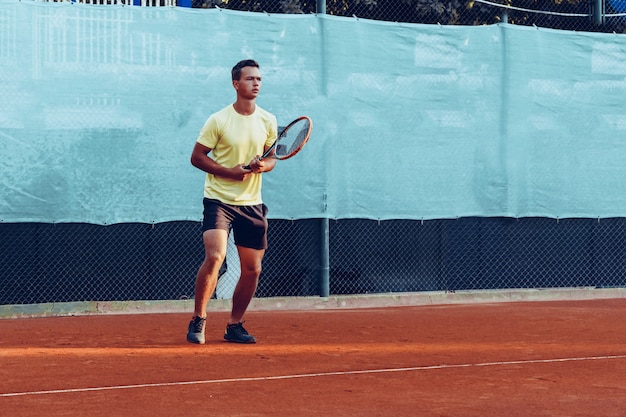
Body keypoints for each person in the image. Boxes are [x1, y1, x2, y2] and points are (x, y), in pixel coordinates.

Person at [186, 59, 277, 345]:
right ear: (236, 84)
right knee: (215, 257)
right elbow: (197, 157)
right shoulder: (219, 120)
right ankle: (198, 319)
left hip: (252, 203)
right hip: (219, 201)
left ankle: (234, 325)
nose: (256, 83)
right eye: (250, 79)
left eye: (259, 79)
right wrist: (230, 172)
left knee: (253, 269)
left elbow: (271, 158)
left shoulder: (268, 120)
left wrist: (262, 166)